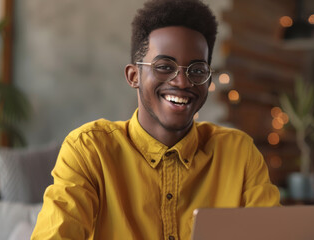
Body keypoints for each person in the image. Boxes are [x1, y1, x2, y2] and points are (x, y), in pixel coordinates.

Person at [31, 0, 280, 239]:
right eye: (164, 66)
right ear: (133, 76)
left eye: (197, 70)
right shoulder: (89, 150)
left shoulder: (239, 153)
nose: (182, 82)